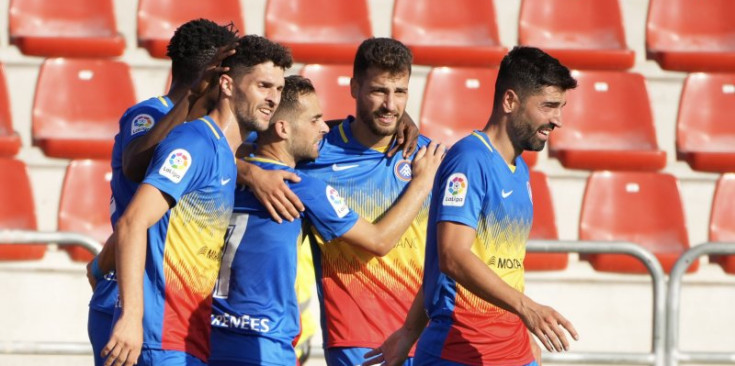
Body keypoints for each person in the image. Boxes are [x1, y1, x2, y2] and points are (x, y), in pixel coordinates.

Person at [363, 46, 580, 366]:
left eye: (561, 107)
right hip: (459, 353)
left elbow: (497, 265)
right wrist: (527, 308)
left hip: (514, 350)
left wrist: (522, 328)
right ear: (510, 101)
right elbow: (452, 256)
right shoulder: (468, 160)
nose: (557, 120)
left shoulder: (518, 168)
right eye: (548, 106)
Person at [207, 75, 445, 366]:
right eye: (315, 120)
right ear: (282, 129)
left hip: (208, 334)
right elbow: (379, 240)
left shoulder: (214, 167)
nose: (324, 127)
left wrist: (244, 169)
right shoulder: (302, 185)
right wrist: (422, 182)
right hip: (264, 343)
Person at [101, 35, 293, 366]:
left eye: (278, 89)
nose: (273, 99)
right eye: (264, 86)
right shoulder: (194, 143)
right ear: (228, 85)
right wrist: (131, 317)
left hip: (189, 339)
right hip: (158, 338)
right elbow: (133, 222)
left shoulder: (224, 153)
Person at [85, 19, 238, 366]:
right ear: (214, 76)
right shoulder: (148, 114)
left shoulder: (211, 134)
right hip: (129, 302)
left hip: (166, 306)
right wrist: (191, 96)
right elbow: (137, 162)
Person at [294, 37, 432, 366]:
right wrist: (251, 170)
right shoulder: (315, 153)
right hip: (360, 343)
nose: (390, 104)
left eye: (400, 92)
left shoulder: (428, 155)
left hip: (427, 339)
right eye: (379, 91)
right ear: (354, 87)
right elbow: (245, 149)